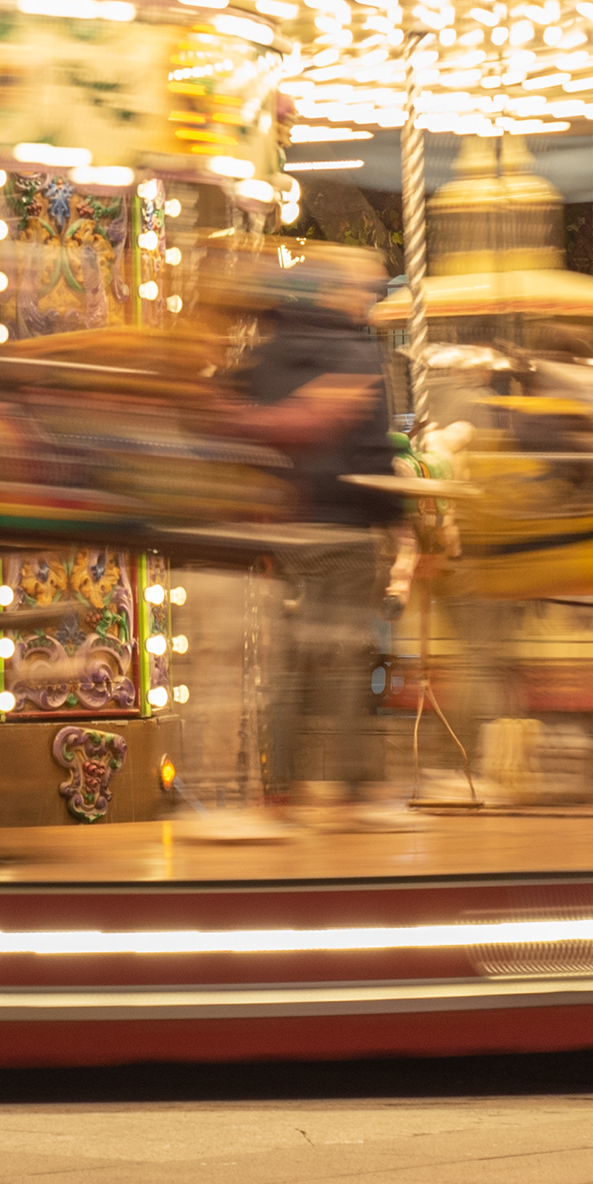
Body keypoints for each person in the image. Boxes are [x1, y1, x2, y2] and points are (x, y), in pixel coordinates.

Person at [216, 247, 399, 821]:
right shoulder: (357, 352)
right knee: (346, 658)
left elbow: (242, 433)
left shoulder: (263, 354)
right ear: (334, 295)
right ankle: (346, 786)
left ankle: (279, 787)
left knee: (289, 663)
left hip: (289, 529)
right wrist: (393, 519)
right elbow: (373, 447)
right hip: (347, 527)